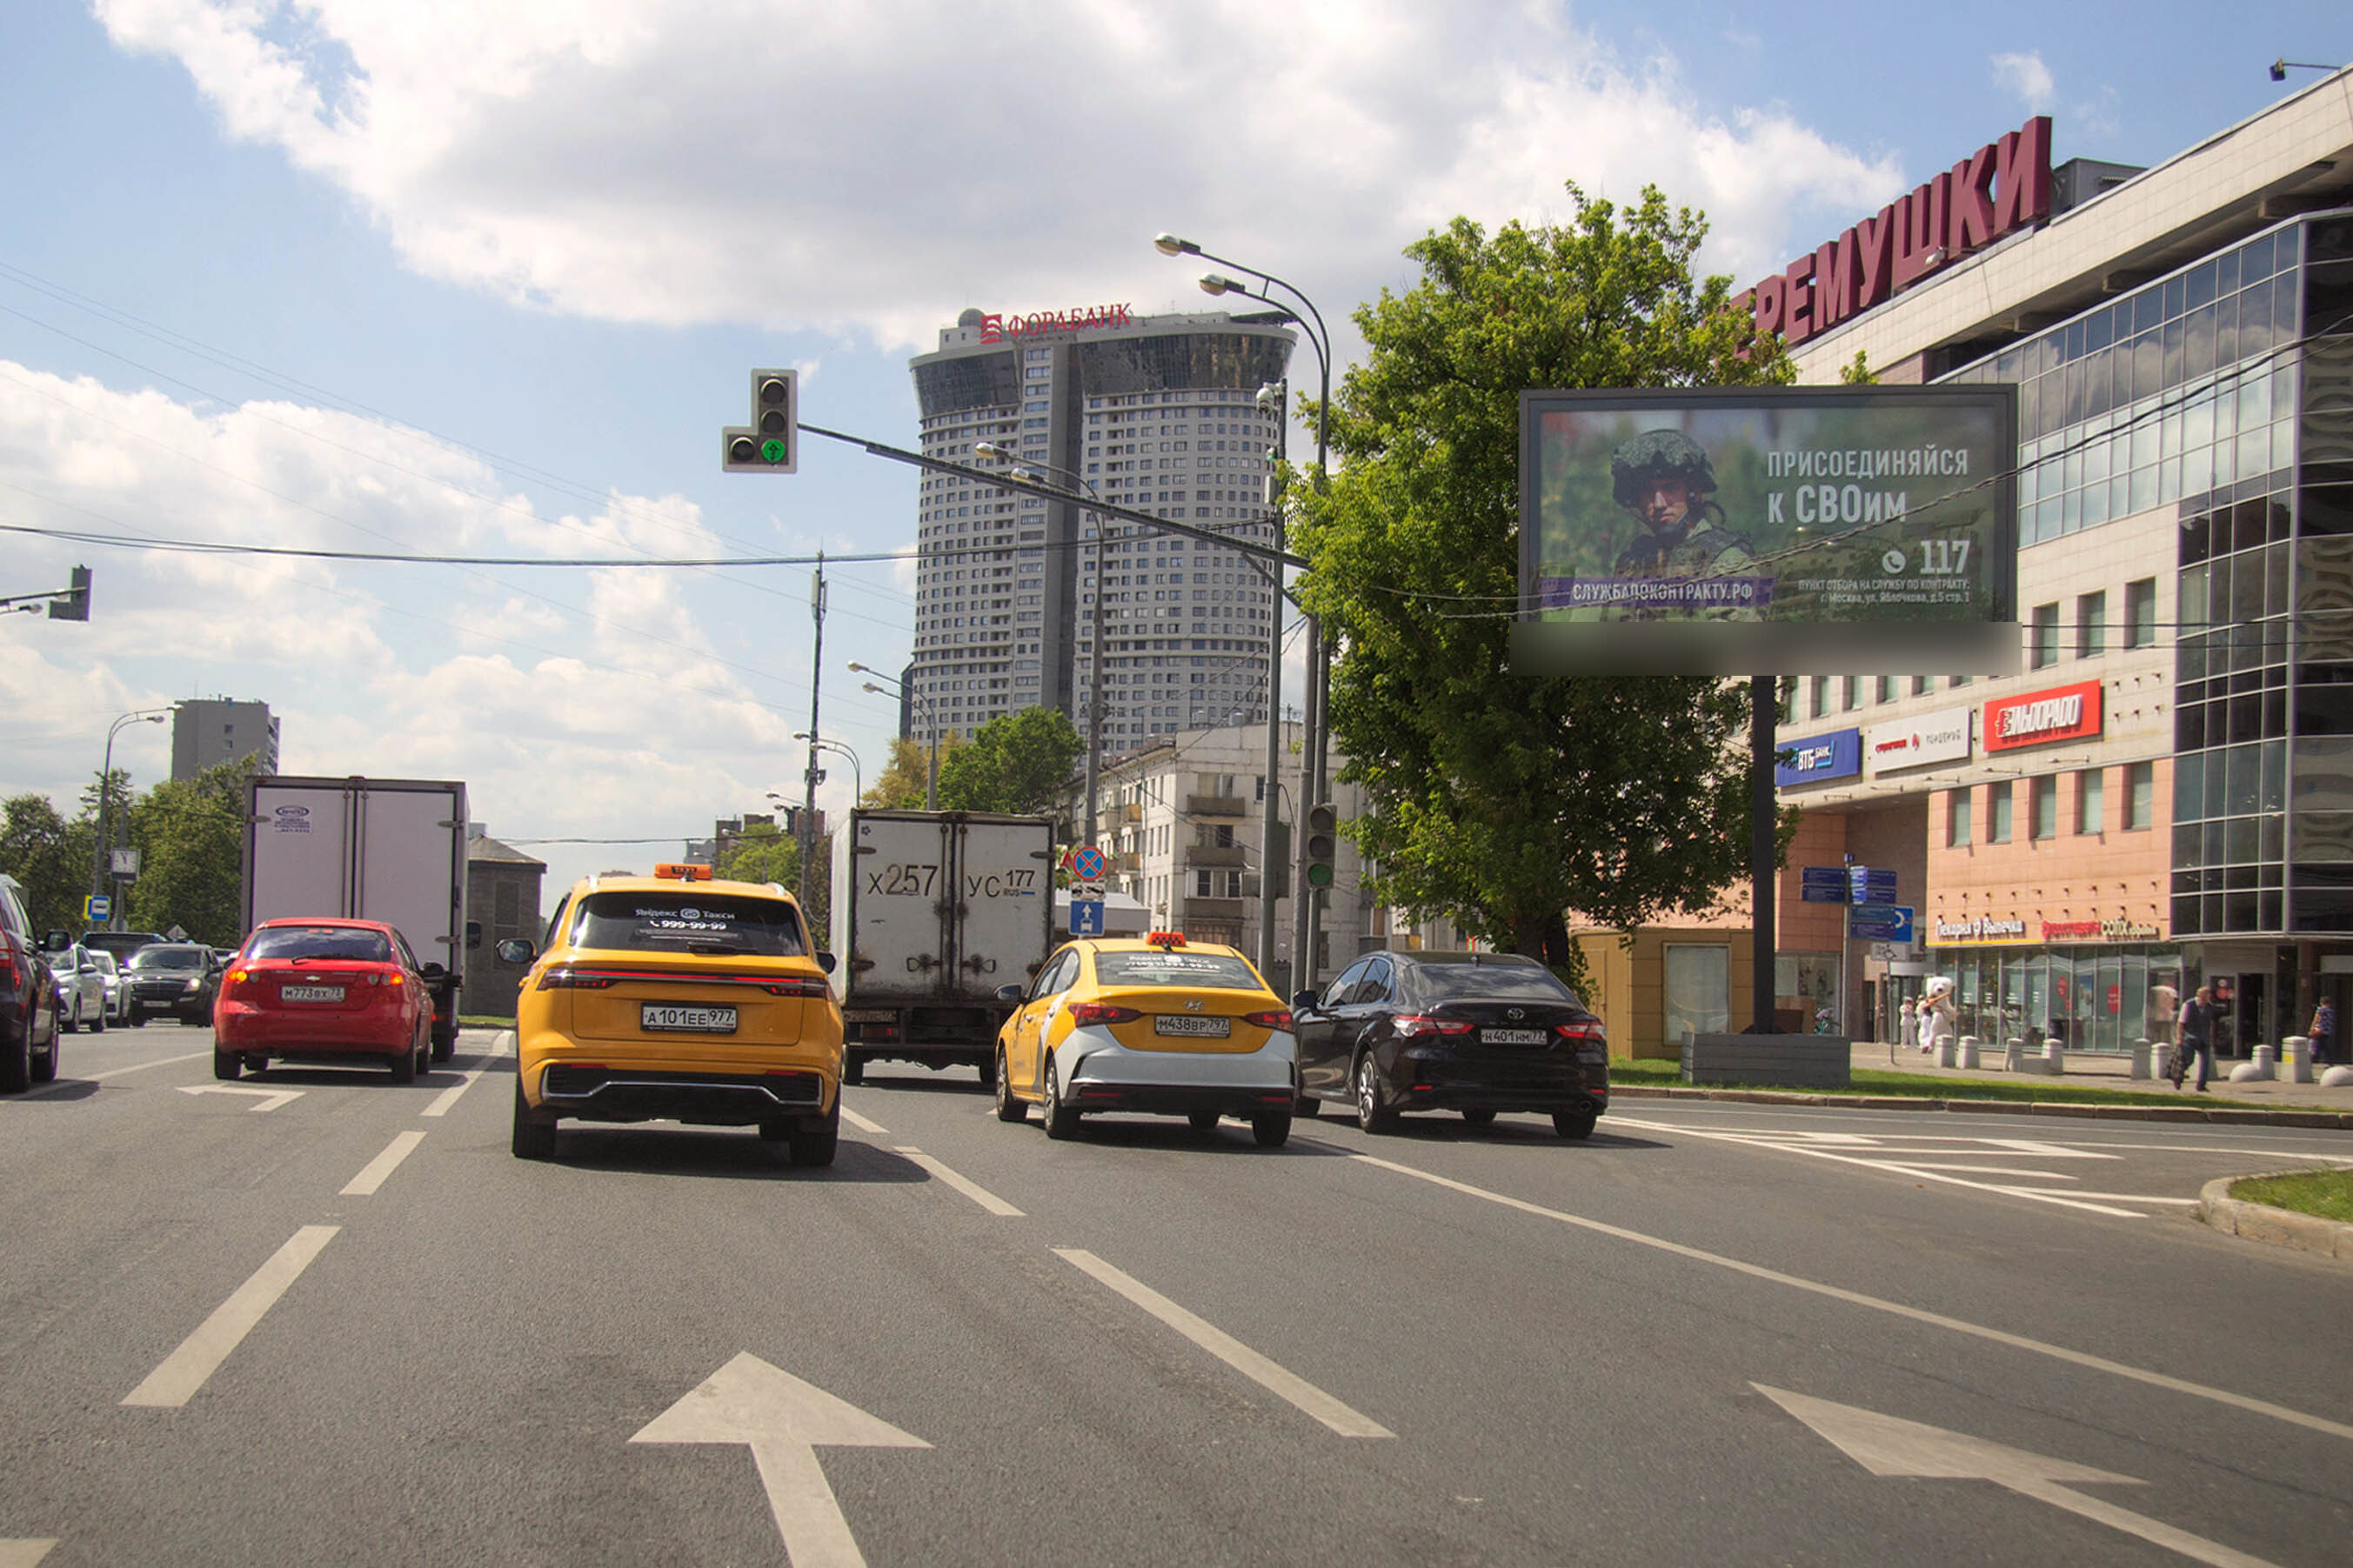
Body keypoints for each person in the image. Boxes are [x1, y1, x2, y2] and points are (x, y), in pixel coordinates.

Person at [1604, 430, 1759, 620]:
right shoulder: (1634, 563)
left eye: (1670, 488)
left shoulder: (1725, 562)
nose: (1659, 503)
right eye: (1648, 491)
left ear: (1694, 493)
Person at [2175, 984, 2216, 1092]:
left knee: (2205, 1062)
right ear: (2200, 995)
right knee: (2189, 1060)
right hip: (2190, 1037)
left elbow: (2211, 1023)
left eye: (2209, 995)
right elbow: (2181, 1023)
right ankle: (2178, 1076)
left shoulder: (2210, 1007)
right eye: (2206, 995)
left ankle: (2201, 1085)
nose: (2208, 997)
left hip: (2204, 1038)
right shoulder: (2189, 1005)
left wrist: (2211, 1037)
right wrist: (2179, 1038)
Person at [1918, 977, 1955, 1057]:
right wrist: (1944, 995)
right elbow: (1930, 1002)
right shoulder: (1928, 1001)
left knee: (1944, 1031)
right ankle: (1928, 1045)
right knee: (1930, 1032)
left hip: (1936, 1017)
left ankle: (1933, 1045)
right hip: (1929, 1018)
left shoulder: (1943, 1002)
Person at [2311, 996, 2337, 1069]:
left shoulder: (2321, 1010)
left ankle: (2311, 1060)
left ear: (2321, 1002)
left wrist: (2312, 1028)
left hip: (2319, 1030)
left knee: (2317, 1046)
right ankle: (2330, 1062)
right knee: (2324, 1046)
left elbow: (2316, 1019)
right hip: (2327, 1031)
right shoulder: (2331, 1011)